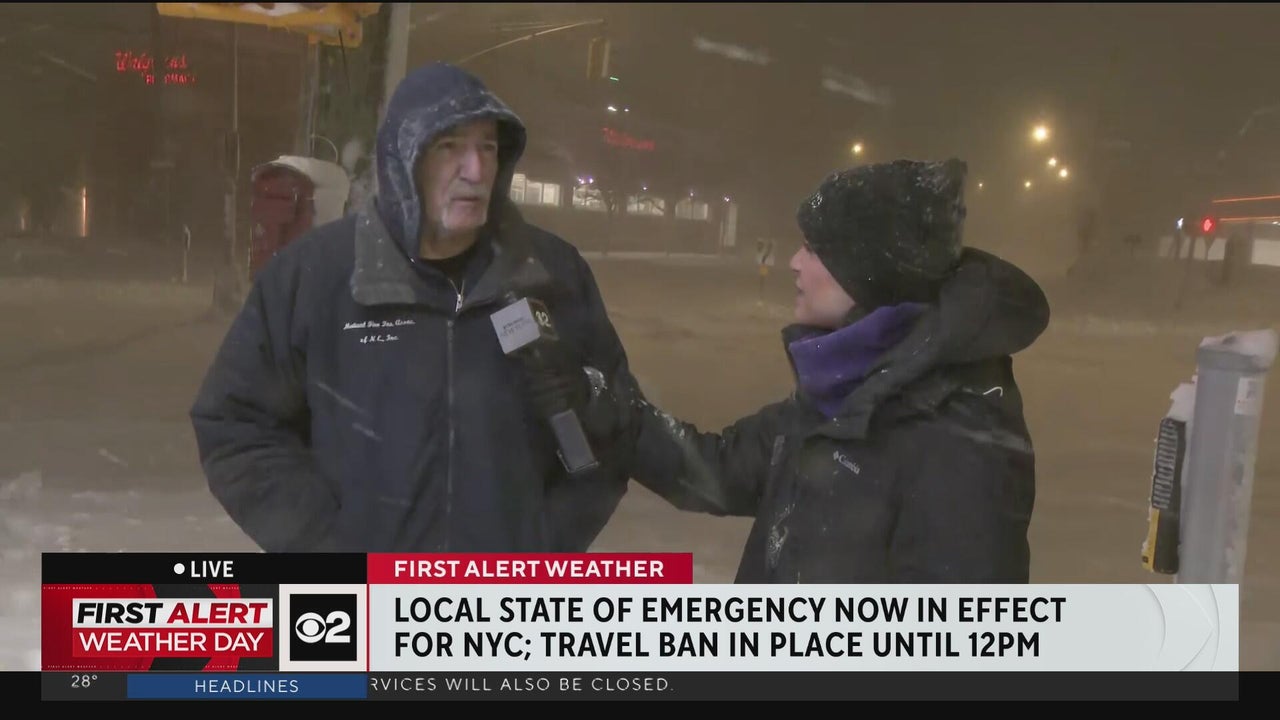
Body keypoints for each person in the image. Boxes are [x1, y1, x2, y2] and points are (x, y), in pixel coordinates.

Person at [535, 158, 1049, 583]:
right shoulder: (841, 392)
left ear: (870, 273)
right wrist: (601, 406)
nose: (794, 263)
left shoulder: (958, 437)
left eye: (814, 249)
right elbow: (718, 469)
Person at [190, 62, 633, 552]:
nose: (475, 170)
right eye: (449, 147)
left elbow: (617, 424)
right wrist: (324, 546)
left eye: (487, 147)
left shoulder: (552, 274)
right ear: (404, 161)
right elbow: (235, 424)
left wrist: (544, 545)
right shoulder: (317, 276)